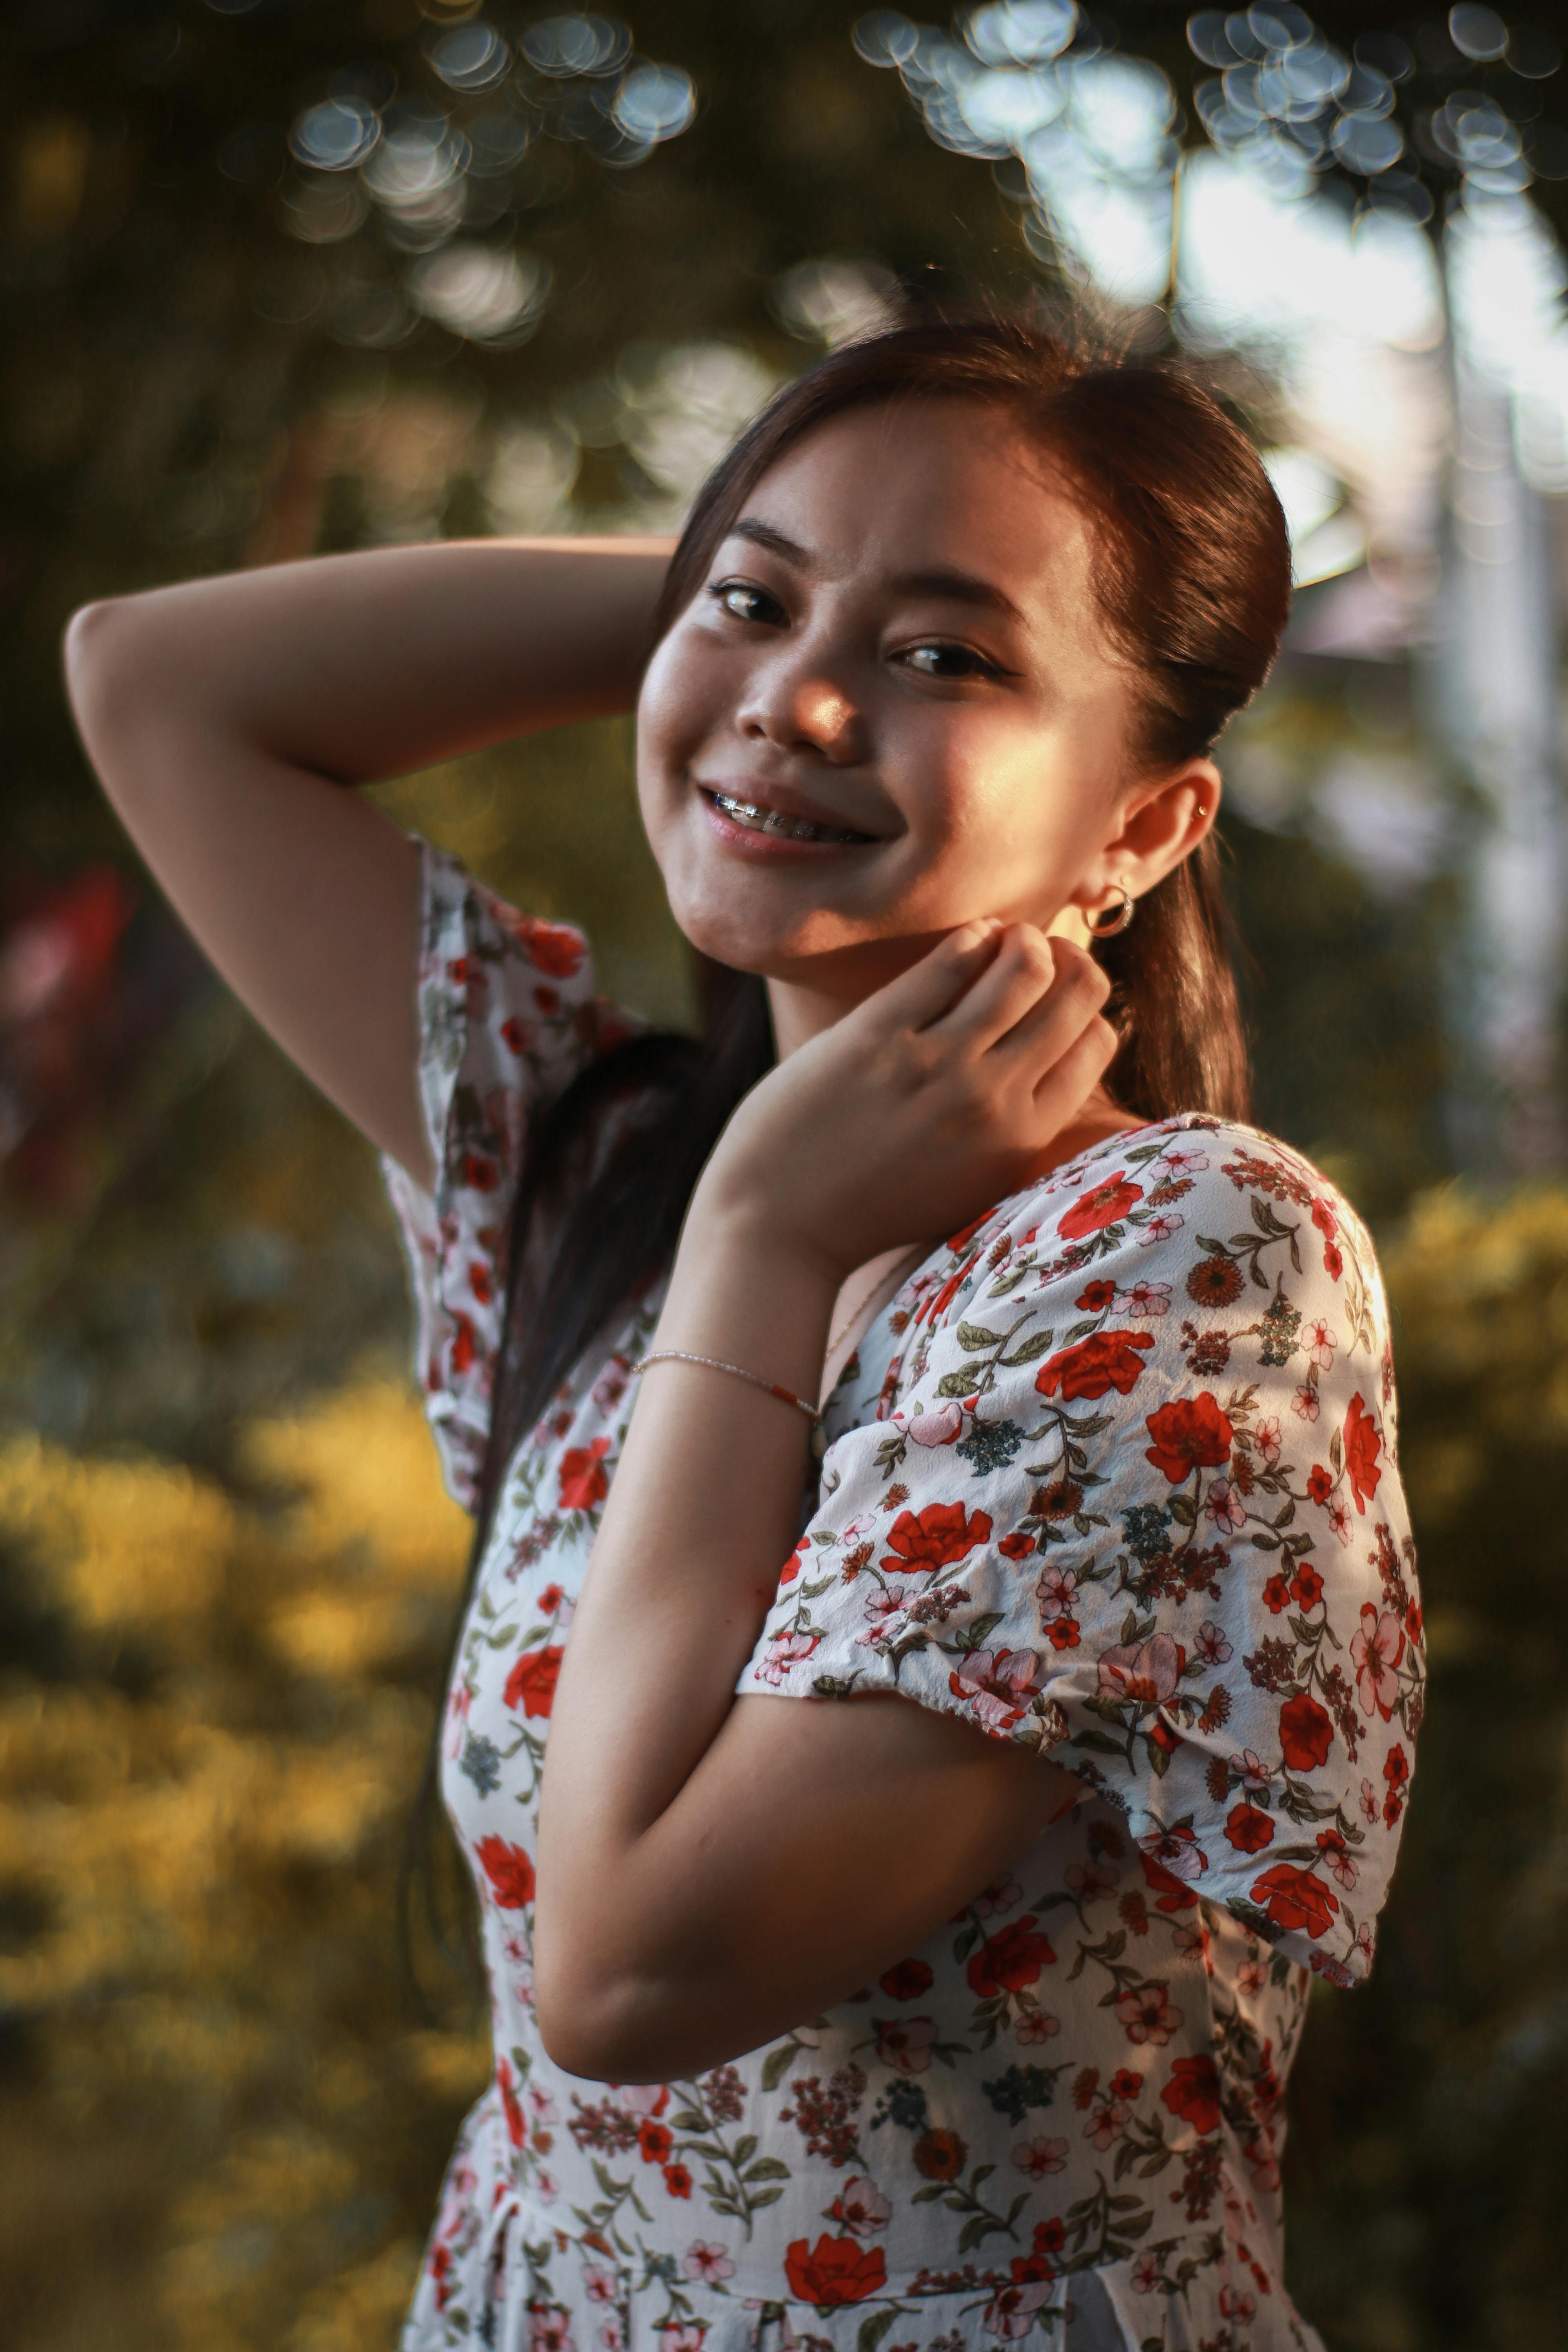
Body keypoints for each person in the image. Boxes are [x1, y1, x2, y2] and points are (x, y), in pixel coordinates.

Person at [65, 318, 1422, 2352]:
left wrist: (768, 1246)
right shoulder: (596, 1177)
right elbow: (158, 682)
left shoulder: (1184, 1259)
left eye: (950, 657)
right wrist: (777, 595)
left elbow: (630, 1974)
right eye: (753, 605)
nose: (791, 703)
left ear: (1142, 826)